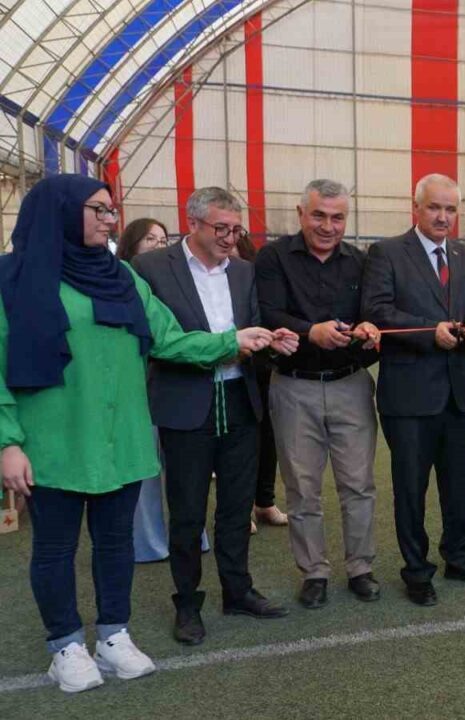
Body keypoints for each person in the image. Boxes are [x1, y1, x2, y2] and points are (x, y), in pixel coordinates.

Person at [0, 175, 280, 692]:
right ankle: (65, 645)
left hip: (123, 437)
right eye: (99, 210)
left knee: (114, 544)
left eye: (112, 210)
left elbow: (168, 339)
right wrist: (7, 441)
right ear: (60, 211)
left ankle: (113, 635)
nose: (111, 220)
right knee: (55, 548)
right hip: (53, 442)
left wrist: (232, 341)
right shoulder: (12, 277)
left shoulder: (122, 275)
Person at [133, 187, 298, 645]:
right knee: (187, 512)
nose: (230, 238)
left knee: (236, 506)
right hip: (185, 404)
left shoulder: (244, 271)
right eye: (221, 228)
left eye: (236, 229)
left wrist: (273, 340)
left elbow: (254, 324)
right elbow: (156, 343)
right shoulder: (150, 268)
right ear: (193, 223)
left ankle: (237, 590)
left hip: (241, 400)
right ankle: (187, 603)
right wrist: (228, 345)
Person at [362, 173, 465, 606]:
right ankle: (417, 571)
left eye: (450, 209)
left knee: (462, 483)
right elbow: (377, 310)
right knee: (411, 488)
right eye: (435, 207)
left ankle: (461, 558)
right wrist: (428, 332)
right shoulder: (386, 253)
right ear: (416, 207)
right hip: (409, 394)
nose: (443, 216)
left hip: (459, 391)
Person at [255, 179, 382, 608]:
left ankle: (360, 567)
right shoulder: (273, 257)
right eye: (319, 216)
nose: (328, 226)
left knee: (358, 484)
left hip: (351, 385)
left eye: (337, 217)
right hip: (293, 387)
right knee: (302, 488)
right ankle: (314, 572)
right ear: (301, 213)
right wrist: (312, 331)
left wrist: (369, 329)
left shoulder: (362, 262)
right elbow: (267, 312)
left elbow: (374, 313)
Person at [115, 216, 209, 563]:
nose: (158, 244)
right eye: (150, 238)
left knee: (184, 472)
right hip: (139, 385)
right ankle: (149, 543)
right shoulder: (122, 279)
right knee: (145, 469)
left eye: (163, 238)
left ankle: (193, 536)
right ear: (132, 244)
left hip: (178, 380)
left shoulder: (178, 276)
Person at [229, 233, 288, 534]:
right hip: (226, 369)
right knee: (238, 445)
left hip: (261, 366)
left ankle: (264, 501)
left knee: (268, 437)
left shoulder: (255, 280)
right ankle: (241, 509)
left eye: (235, 251)